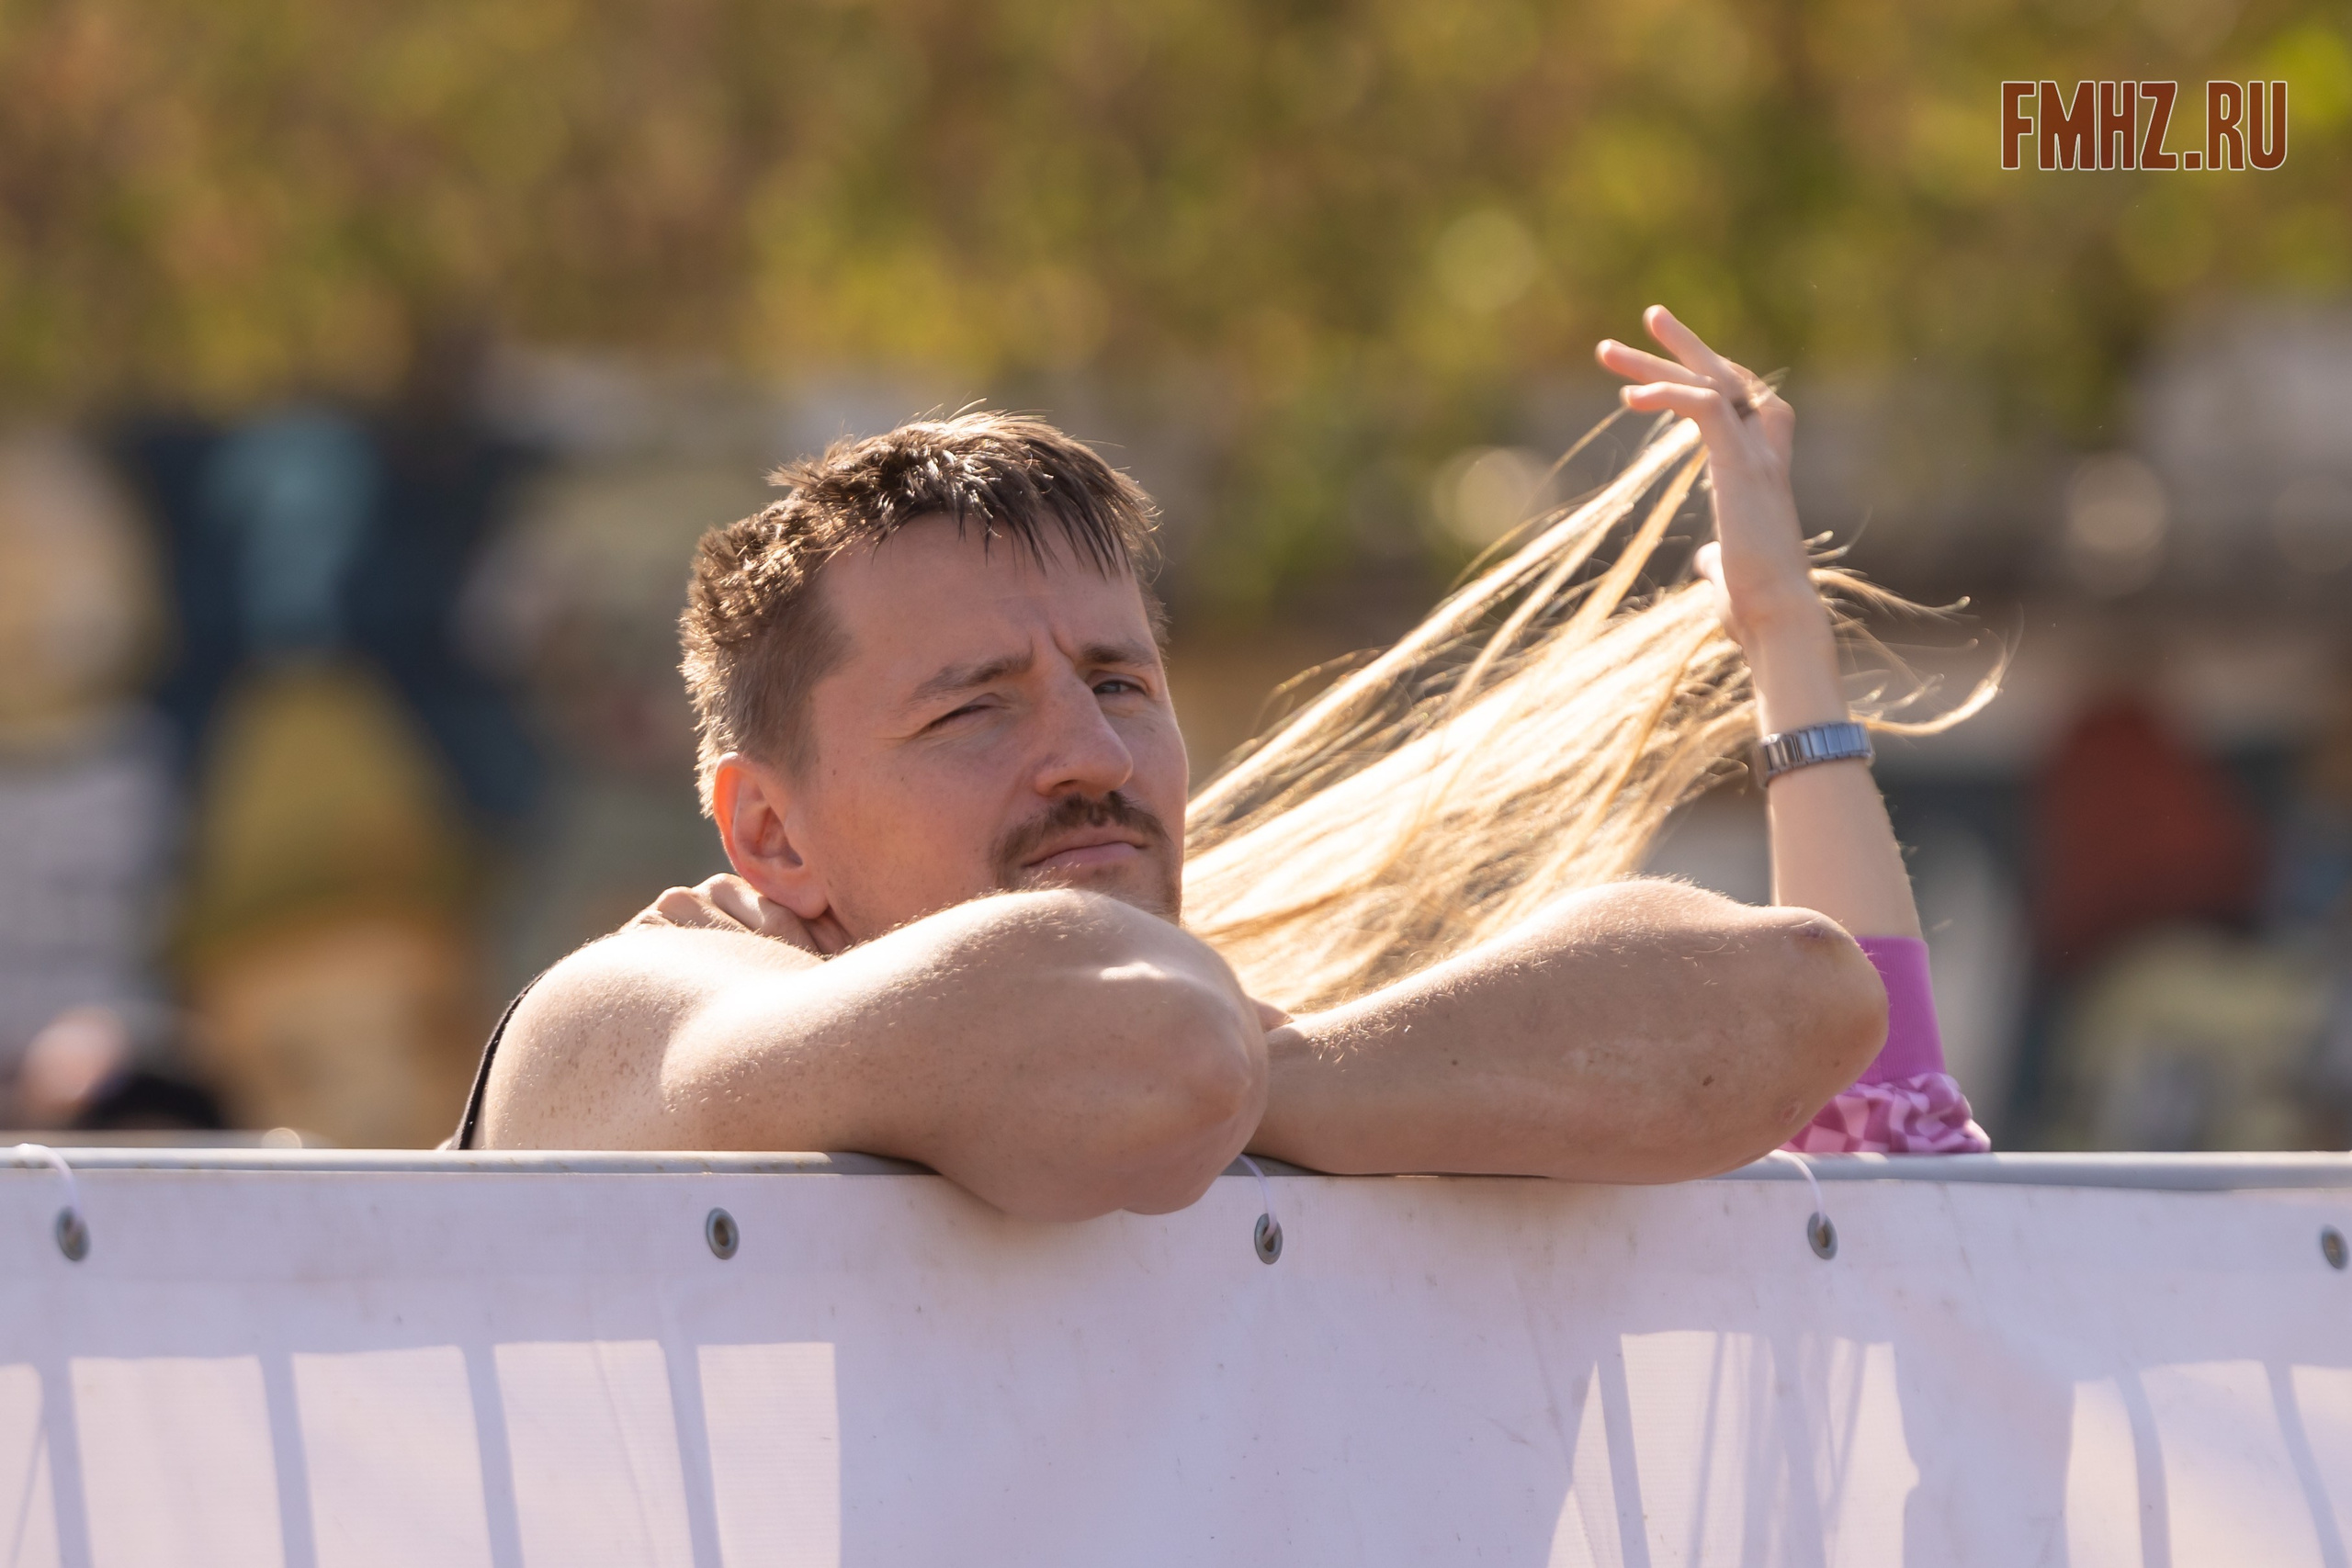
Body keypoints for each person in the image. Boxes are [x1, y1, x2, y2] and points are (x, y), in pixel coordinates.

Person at [455, 308, 1985, 1215]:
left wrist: (1290, 1076)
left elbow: (1804, 997)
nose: (1089, 752)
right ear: (771, 837)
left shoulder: (1218, 1046)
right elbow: (1136, 1044)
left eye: (1120, 681)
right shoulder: (627, 1009)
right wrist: (1352, 1088)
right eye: (974, 709)